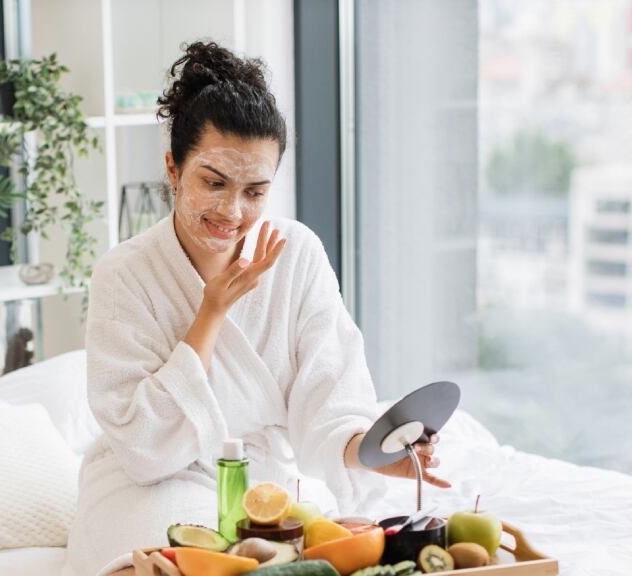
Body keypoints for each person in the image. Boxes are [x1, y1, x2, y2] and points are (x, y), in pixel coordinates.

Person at [63, 41, 449, 576]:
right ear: (173, 168)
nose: (232, 210)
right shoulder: (125, 273)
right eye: (213, 182)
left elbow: (329, 394)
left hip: (264, 485)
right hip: (153, 483)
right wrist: (211, 312)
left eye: (255, 191)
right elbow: (140, 442)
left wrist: (373, 452)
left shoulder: (297, 254)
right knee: (174, 565)